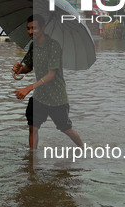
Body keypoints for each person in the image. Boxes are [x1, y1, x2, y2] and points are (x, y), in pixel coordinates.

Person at [12, 14, 84, 150]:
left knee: (65, 128)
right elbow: (28, 67)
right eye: (28, 28)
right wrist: (19, 69)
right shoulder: (33, 46)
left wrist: (29, 88)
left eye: (34, 28)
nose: (30, 32)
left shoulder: (54, 46)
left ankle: (83, 148)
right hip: (40, 95)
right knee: (33, 127)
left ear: (43, 27)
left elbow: (51, 75)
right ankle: (32, 158)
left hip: (56, 97)